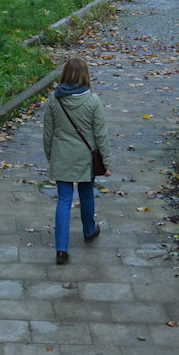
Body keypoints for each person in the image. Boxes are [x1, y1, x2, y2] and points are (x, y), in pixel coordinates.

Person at [41, 56, 109, 265]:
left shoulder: (55, 100)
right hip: (85, 157)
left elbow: (48, 131)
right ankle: (89, 231)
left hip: (62, 155)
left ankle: (61, 249)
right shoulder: (93, 101)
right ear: (85, 75)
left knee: (64, 199)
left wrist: (49, 154)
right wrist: (107, 162)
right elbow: (101, 134)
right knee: (87, 194)